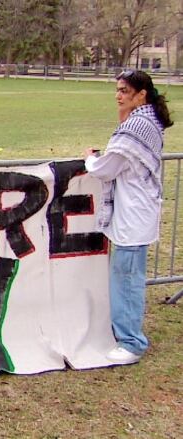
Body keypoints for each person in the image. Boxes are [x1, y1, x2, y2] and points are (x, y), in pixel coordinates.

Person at [83, 70, 173, 365]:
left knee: (127, 279)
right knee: (126, 275)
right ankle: (125, 333)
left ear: (141, 94)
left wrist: (89, 159)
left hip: (134, 215)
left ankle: (131, 342)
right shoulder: (145, 121)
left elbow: (107, 168)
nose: (118, 95)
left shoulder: (138, 126)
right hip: (135, 210)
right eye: (117, 90)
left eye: (124, 91)